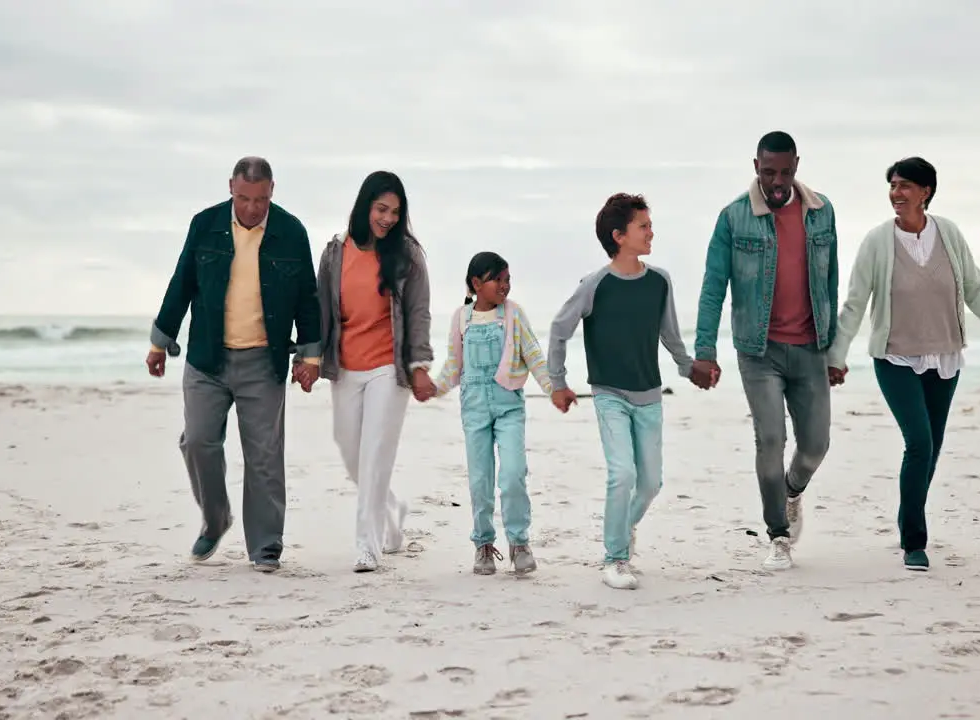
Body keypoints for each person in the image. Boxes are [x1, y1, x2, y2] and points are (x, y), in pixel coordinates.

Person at [827, 156, 980, 572]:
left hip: (945, 356)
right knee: (919, 443)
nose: (895, 194)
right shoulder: (876, 242)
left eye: (904, 186)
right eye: (892, 185)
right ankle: (914, 541)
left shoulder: (950, 235)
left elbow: (976, 289)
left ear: (926, 191)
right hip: (895, 357)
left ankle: (907, 518)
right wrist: (837, 356)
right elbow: (854, 303)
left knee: (932, 448)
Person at [146, 156, 322, 573]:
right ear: (230, 188)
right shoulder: (204, 224)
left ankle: (265, 546)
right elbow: (182, 283)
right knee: (198, 441)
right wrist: (159, 341)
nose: (251, 208)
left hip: (264, 359)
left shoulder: (291, 231)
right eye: (244, 198)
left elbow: (307, 297)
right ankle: (216, 517)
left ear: (272, 191)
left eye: (260, 199)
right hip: (208, 358)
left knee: (264, 456)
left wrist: (311, 356)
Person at [693, 131, 840, 572]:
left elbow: (830, 280)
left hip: (811, 347)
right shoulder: (734, 217)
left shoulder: (821, 211)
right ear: (755, 166)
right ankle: (777, 535)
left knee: (816, 444)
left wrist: (833, 348)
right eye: (769, 171)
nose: (778, 181)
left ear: (797, 165)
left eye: (786, 172)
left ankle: (792, 491)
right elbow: (713, 286)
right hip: (759, 351)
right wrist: (705, 350)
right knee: (770, 439)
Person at [548, 193, 708, 590]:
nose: (651, 232)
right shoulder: (594, 284)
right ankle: (615, 559)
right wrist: (558, 381)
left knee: (651, 483)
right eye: (644, 226)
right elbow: (559, 328)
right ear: (619, 236)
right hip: (609, 394)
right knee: (622, 473)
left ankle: (624, 527)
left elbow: (670, 336)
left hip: (649, 395)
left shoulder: (659, 281)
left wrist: (690, 369)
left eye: (650, 225)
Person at [295, 170, 434, 573]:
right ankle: (392, 508)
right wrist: (309, 358)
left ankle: (366, 546)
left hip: (388, 369)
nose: (388, 218)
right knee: (351, 452)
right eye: (381, 209)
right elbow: (320, 311)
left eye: (395, 211)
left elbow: (418, 313)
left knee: (375, 454)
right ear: (364, 206)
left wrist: (419, 364)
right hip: (346, 367)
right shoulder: (335, 253)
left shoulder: (407, 255)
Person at [430, 252, 557, 576]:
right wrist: (433, 388)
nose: (505, 285)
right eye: (497, 279)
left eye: (507, 279)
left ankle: (519, 542)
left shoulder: (514, 315)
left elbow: (533, 355)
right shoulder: (462, 317)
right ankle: (483, 545)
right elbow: (453, 365)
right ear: (476, 283)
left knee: (513, 474)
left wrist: (552, 389)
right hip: (474, 409)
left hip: (509, 407)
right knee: (480, 481)